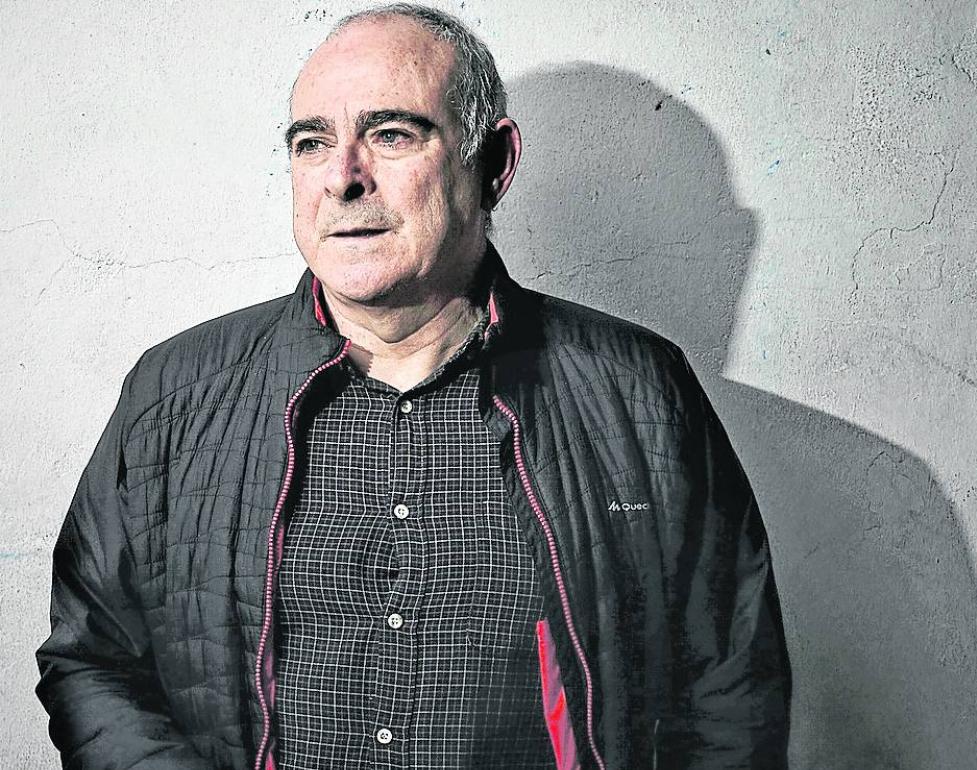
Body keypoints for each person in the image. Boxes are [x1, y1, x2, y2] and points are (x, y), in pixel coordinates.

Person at [35, 4, 789, 768]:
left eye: (392, 134)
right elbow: (92, 658)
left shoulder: (640, 393)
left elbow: (730, 693)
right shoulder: (173, 394)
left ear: (493, 162)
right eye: (311, 142)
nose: (342, 178)